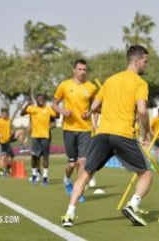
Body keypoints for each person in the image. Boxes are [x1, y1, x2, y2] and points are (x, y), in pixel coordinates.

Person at [61, 45, 153, 227]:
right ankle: (133, 205)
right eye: (145, 62)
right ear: (136, 61)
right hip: (123, 135)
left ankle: (69, 214)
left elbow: (94, 106)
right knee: (146, 174)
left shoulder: (110, 81)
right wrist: (147, 130)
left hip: (102, 135)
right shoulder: (140, 83)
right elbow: (142, 111)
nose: (146, 65)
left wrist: (104, 110)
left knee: (85, 174)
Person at [52, 59, 98, 200]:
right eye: (80, 69)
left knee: (83, 161)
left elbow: (96, 107)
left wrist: (91, 115)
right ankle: (66, 179)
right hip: (69, 128)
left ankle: (79, 192)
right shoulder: (64, 85)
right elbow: (54, 104)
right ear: (74, 70)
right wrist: (62, 111)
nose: (82, 72)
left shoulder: (91, 87)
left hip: (85, 128)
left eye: (84, 70)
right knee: (72, 163)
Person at [21, 93, 58, 185]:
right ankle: (34, 175)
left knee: (45, 157)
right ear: (36, 100)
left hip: (46, 137)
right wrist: (27, 104)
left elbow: (56, 116)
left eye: (42, 99)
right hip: (35, 137)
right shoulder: (32, 108)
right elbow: (22, 113)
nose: (40, 100)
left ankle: (45, 177)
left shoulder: (48, 109)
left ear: (45, 100)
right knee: (34, 157)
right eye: (38, 99)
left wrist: (55, 107)